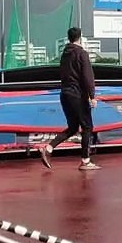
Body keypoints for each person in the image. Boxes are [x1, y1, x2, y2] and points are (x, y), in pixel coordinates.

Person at [38, 27, 100, 171]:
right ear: (80, 37)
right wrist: (92, 96)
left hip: (65, 94)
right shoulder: (81, 54)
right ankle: (85, 161)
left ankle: (48, 148)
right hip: (77, 95)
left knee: (73, 127)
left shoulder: (65, 54)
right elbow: (87, 76)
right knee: (87, 127)